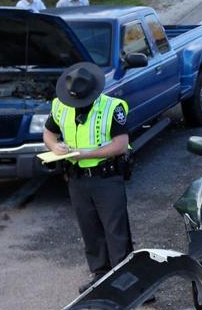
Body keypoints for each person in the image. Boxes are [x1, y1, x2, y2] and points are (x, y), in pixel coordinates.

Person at [43, 62, 134, 292]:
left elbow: (120, 145)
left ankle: (125, 281)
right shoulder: (60, 106)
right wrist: (55, 147)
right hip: (77, 179)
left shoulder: (113, 108)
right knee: (89, 230)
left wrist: (87, 154)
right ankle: (100, 275)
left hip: (106, 177)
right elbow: (49, 133)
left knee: (116, 231)